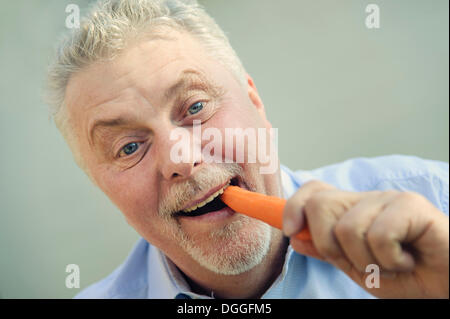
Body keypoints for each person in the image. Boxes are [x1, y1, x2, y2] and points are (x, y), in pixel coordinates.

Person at [45, 0, 449, 299]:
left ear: (255, 102)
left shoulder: (435, 203)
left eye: (196, 107)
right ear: (102, 186)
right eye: (129, 146)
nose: (181, 161)